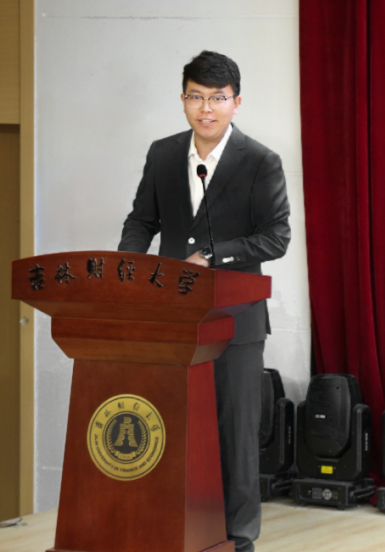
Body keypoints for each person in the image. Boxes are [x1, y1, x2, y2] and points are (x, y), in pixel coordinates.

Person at [118, 50, 290, 552]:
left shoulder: (260, 161)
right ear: (183, 100)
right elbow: (141, 220)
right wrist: (127, 267)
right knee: (172, 430)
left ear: (236, 102)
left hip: (236, 323)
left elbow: (275, 237)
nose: (206, 108)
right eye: (196, 97)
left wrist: (214, 255)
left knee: (235, 437)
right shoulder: (163, 154)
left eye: (218, 98)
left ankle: (238, 541)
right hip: (173, 318)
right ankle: (175, 531)